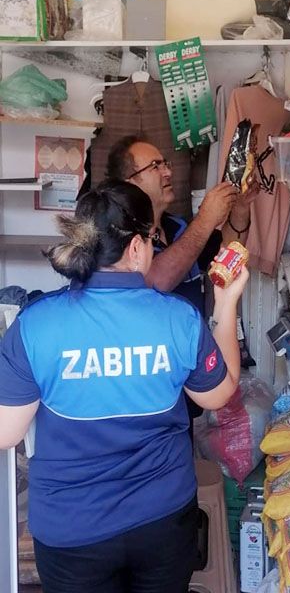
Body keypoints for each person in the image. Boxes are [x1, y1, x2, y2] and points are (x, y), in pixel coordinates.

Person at [0, 180, 247, 593]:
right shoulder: (177, 319)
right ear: (136, 248)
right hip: (163, 521)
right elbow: (219, 395)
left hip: (71, 530)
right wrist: (226, 303)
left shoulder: (35, 325)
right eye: (152, 239)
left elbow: (6, 433)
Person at [106, 135, 253, 311]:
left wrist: (241, 207)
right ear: (130, 183)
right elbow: (155, 283)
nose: (168, 173)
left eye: (165, 164)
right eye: (155, 166)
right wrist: (206, 219)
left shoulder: (178, 226)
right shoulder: (119, 236)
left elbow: (230, 255)